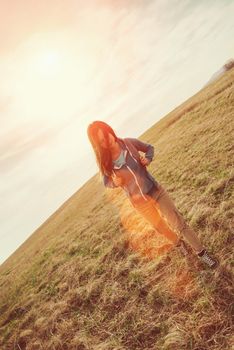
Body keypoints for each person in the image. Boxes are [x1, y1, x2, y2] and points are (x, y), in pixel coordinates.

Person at [87, 120, 219, 269]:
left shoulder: (129, 143)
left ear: (109, 130)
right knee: (160, 228)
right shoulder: (106, 162)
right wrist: (114, 183)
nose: (107, 140)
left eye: (106, 135)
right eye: (101, 141)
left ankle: (202, 253)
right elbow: (106, 182)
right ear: (98, 145)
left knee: (178, 223)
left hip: (156, 192)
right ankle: (178, 243)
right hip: (139, 203)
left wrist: (148, 158)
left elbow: (149, 148)